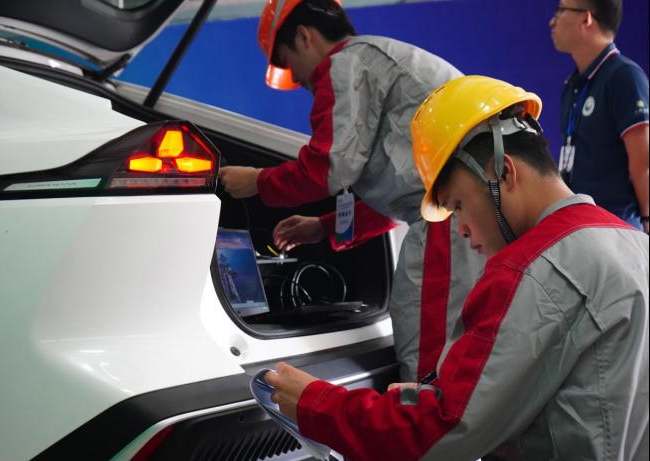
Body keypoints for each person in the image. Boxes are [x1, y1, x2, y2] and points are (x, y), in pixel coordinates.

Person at [265, 75, 649, 461]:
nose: (461, 229)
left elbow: (441, 432)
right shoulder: (635, 245)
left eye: (458, 205)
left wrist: (317, 403)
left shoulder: (531, 271)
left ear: (504, 173)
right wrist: (429, 397)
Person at [219, 0, 484, 383]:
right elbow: (408, 190)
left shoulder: (344, 65)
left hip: (452, 221)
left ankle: (426, 419)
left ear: (304, 36)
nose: (299, 80)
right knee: (460, 347)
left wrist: (256, 182)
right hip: (465, 215)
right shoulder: (376, 60)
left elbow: (328, 167)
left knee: (426, 348)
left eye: (289, 63)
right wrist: (324, 227)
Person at [550, 0, 649, 232]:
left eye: (561, 11)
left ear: (586, 19)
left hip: (617, 228)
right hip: (580, 224)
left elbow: (644, 164)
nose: (552, 21)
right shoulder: (573, 84)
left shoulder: (624, 77)